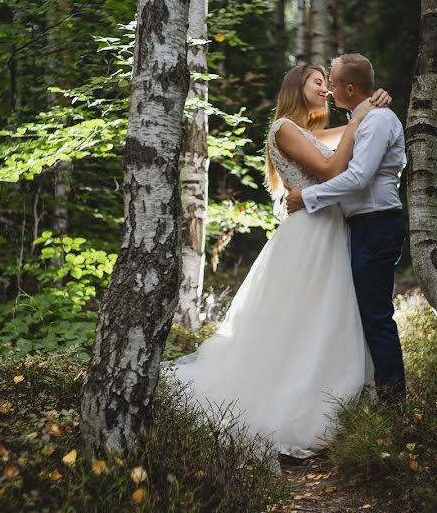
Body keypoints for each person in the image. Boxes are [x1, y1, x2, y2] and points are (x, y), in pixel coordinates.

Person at [168, 62, 392, 459]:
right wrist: (358, 123)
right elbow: (329, 166)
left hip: (331, 230)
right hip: (309, 233)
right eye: (317, 82)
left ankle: (337, 395)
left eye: (329, 83)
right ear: (296, 86)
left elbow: (352, 131)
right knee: (301, 319)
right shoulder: (285, 130)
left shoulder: (310, 133)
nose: (325, 89)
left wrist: (370, 106)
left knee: (328, 318)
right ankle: (294, 399)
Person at [286, 53, 408, 404]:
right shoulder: (363, 119)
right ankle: (367, 394)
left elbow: (357, 178)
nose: (329, 89)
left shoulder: (378, 120)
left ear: (350, 88)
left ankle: (393, 404)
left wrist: (307, 197)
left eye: (334, 83)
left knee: (376, 317)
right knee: (362, 315)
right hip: (364, 226)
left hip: (377, 224)